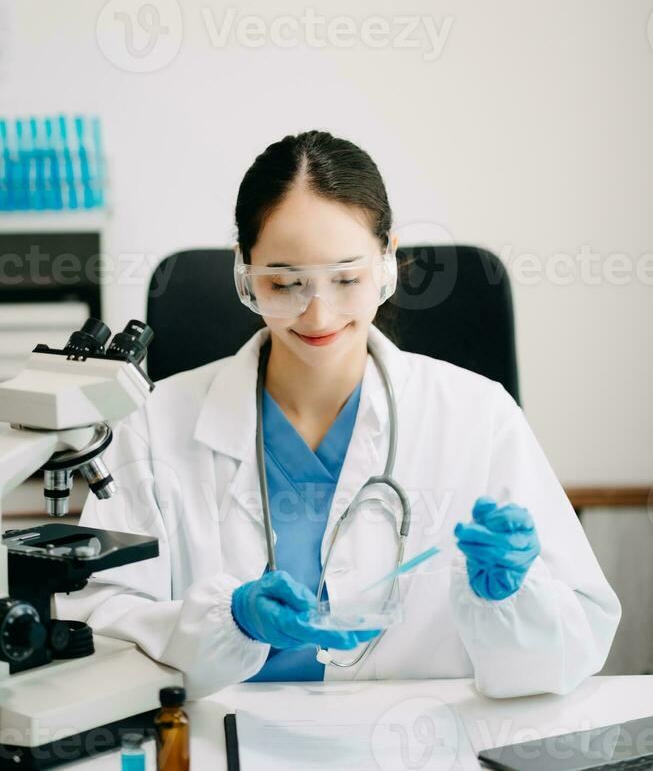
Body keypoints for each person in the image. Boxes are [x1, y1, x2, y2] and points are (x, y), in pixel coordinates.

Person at [56, 130, 621, 700]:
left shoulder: (479, 416)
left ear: (388, 264)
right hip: (223, 743)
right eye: (284, 282)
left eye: (347, 279)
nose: (318, 313)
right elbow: (97, 622)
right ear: (244, 275)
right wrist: (228, 621)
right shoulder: (153, 424)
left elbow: (575, 648)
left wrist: (511, 601)